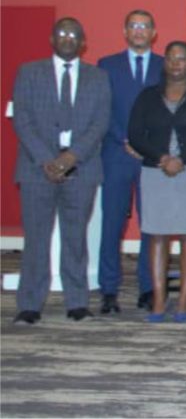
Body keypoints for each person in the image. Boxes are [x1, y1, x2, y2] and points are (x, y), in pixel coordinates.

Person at [11, 18, 111, 325]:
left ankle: (77, 303)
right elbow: (22, 119)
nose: (68, 39)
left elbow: (100, 122)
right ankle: (30, 305)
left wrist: (71, 157)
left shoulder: (98, 77)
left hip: (82, 167)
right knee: (36, 239)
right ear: (52, 39)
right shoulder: (29, 72)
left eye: (74, 35)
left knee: (75, 238)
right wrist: (47, 159)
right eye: (62, 34)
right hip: (36, 168)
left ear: (83, 43)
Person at [127, 41, 186, 323]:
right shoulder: (148, 96)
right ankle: (159, 298)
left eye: (182, 59)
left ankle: (183, 299)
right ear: (164, 63)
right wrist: (162, 158)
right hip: (156, 172)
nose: (176, 64)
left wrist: (181, 159)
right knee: (157, 235)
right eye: (171, 58)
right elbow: (135, 134)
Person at [97, 10, 163, 313]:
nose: (139, 31)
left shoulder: (165, 66)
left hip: (151, 157)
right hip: (117, 153)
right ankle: (109, 289)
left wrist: (147, 145)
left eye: (144, 26)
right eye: (133, 26)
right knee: (112, 223)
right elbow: (102, 110)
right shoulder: (107, 65)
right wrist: (125, 139)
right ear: (125, 32)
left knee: (151, 224)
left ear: (153, 33)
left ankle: (148, 287)